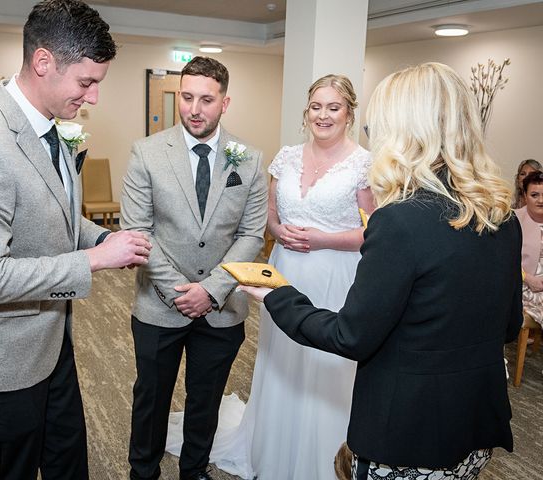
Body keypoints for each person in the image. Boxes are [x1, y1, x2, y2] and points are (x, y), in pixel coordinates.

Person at [241, 62, 522, 480]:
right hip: (473, 425)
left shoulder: (400, 221)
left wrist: (277, 294)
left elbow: (349, 335)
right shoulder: (503, 215)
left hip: (408, 435)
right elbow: (509, 326)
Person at [0, 1, 152, 479]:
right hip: (3, 355)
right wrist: (94, 260)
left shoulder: (52, 129)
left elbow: (57, 217)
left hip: (53, 337)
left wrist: (110, 238)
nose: (93, 98)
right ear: (43, 64)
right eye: (86, 82)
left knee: (68, 460)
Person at [209, 74, 375, 480]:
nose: (323, 115)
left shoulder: (363, 164)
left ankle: (322, 455)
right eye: (316, 106)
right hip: (285, 268)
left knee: (323, 357)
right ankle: (274, 444)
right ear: (307, 111)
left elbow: (372, 231)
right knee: (283, 356)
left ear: (349, 113)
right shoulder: (286, 156)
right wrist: (277, 230)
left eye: (333, 107)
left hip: (335, 273)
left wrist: (324, 238)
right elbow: (269, 213)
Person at [120, 56, 268, 480]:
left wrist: (212, 289)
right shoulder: (146, 153)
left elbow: (251, 235)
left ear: (225, 102)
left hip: (222, 308)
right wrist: (182, 291)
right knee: (152, 397)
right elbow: (137, 231)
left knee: (207, 398)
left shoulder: (250, 159)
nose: (194, 109)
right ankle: (143, 471)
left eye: (206, 99)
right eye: (187, 97)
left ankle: (195, 469)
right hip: (158, 303)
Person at [515, 171, 543, 329]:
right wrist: (528, 278)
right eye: (534, 195)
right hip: (522, 284)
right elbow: (504, 260)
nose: (541, 200)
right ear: (525, 196)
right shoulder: (513, 220)